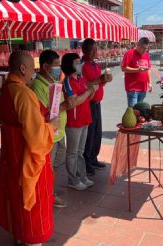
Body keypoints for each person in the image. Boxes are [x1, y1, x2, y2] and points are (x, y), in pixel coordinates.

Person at [0, 50, 60, 246]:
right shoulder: (23, 93)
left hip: (13, 158)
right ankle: (32, 240)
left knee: (17, 198)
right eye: (32, 67)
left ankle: (20, 235)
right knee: (34, 203)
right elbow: (36, 138)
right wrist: (52, 127)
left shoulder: (6, 89)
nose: (33, 72)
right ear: (23, 67)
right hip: (27, 158)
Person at [30, 49, 73, 208]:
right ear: (46, 67)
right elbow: (44, 114)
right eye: (57, 66)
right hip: (49, 136)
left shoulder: (52, 83)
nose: (59, 69)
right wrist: (64, 106)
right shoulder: (37, 86)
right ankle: (46, 196)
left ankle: (50, 194)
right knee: (47, 169)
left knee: (54, 167)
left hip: (59, 134)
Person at [61, 53, 98, 190]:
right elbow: (74, 101)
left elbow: (87, 97)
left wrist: (92, 90)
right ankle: (73, 179)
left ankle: (82, 176)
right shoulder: (67, 81)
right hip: (74, 122)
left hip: (84, 119)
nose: (80, 65)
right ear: (69, 65)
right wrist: (89, 92)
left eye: (79, 62)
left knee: (80, 152)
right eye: (76, 62)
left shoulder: (80, 79)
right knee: (72, 152)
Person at [81, 38, 112, 176]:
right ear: (85, 51)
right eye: (92, 49)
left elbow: (99, 84)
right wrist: (100, 79)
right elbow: (84, 85)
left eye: (96, 49)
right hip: (88, 104)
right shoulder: (82, 66)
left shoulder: (95, 65)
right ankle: (86, 161)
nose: (95, 52)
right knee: (89, 134)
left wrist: (104, 79)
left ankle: (93, 158)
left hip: (97, 103)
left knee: (97, 133)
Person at [121, 37, 152, 107]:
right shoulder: (129, 53)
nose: (144, 50)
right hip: (132, 88)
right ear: (138, 44)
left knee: (140, 111)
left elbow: (148, 69)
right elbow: (123, 68)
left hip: (143, 88)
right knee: (133, 112)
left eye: (146, 48)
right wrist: (137, 70)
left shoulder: (146, 55)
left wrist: (149, 83)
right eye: (142, 48)